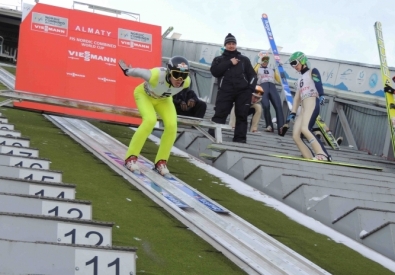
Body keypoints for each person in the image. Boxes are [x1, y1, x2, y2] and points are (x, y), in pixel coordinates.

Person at [118, 56, 191, 176]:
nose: (180, 79)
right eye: (176, 74)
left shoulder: (186, 82)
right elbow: (139, 72)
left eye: (184, 75)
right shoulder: (156, 75)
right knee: (150, 121)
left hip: (164, 100)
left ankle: (161, 162)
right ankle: (130, 158)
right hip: (144, 95)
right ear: (168, 71)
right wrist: (127, 71)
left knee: (172, 126)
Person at [209, 33, 257, 143]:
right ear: (225, 45)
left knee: (242, 115)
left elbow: (253, 75)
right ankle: (212, 136)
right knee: (220, 114)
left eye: (233, 43)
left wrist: (250, 89)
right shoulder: (219, 59)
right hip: (225, 91)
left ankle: (240, 140)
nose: (231, 46)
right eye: (229, 43)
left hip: (243, 92)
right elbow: (215, 72)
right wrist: (230, 62)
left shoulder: (244, 59)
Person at [286, 51, 331, 161]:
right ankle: (308, 156)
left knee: (305, 129)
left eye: (295, 63)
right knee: (296, 135)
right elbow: (297, 97)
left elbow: (318, 82)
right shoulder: (300, 79)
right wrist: (293, 112)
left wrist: (321, 95)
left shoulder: (312, 71)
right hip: (303, 106)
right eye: (292, 64)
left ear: (302, 60)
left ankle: (323, 155)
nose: (294, 66)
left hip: (312, 100)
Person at [254, 54, 286, 135]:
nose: (265, 62)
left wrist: (280, 68)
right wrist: (258, 62)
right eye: (263, 60)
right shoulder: (258, 68)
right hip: (262, 86)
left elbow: (279, 80)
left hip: (272, 86)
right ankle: (269, 125)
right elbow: (253, 72)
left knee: (278, 105)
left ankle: (281, 127)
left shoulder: (272, 70)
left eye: (267, 60)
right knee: (266, 105)